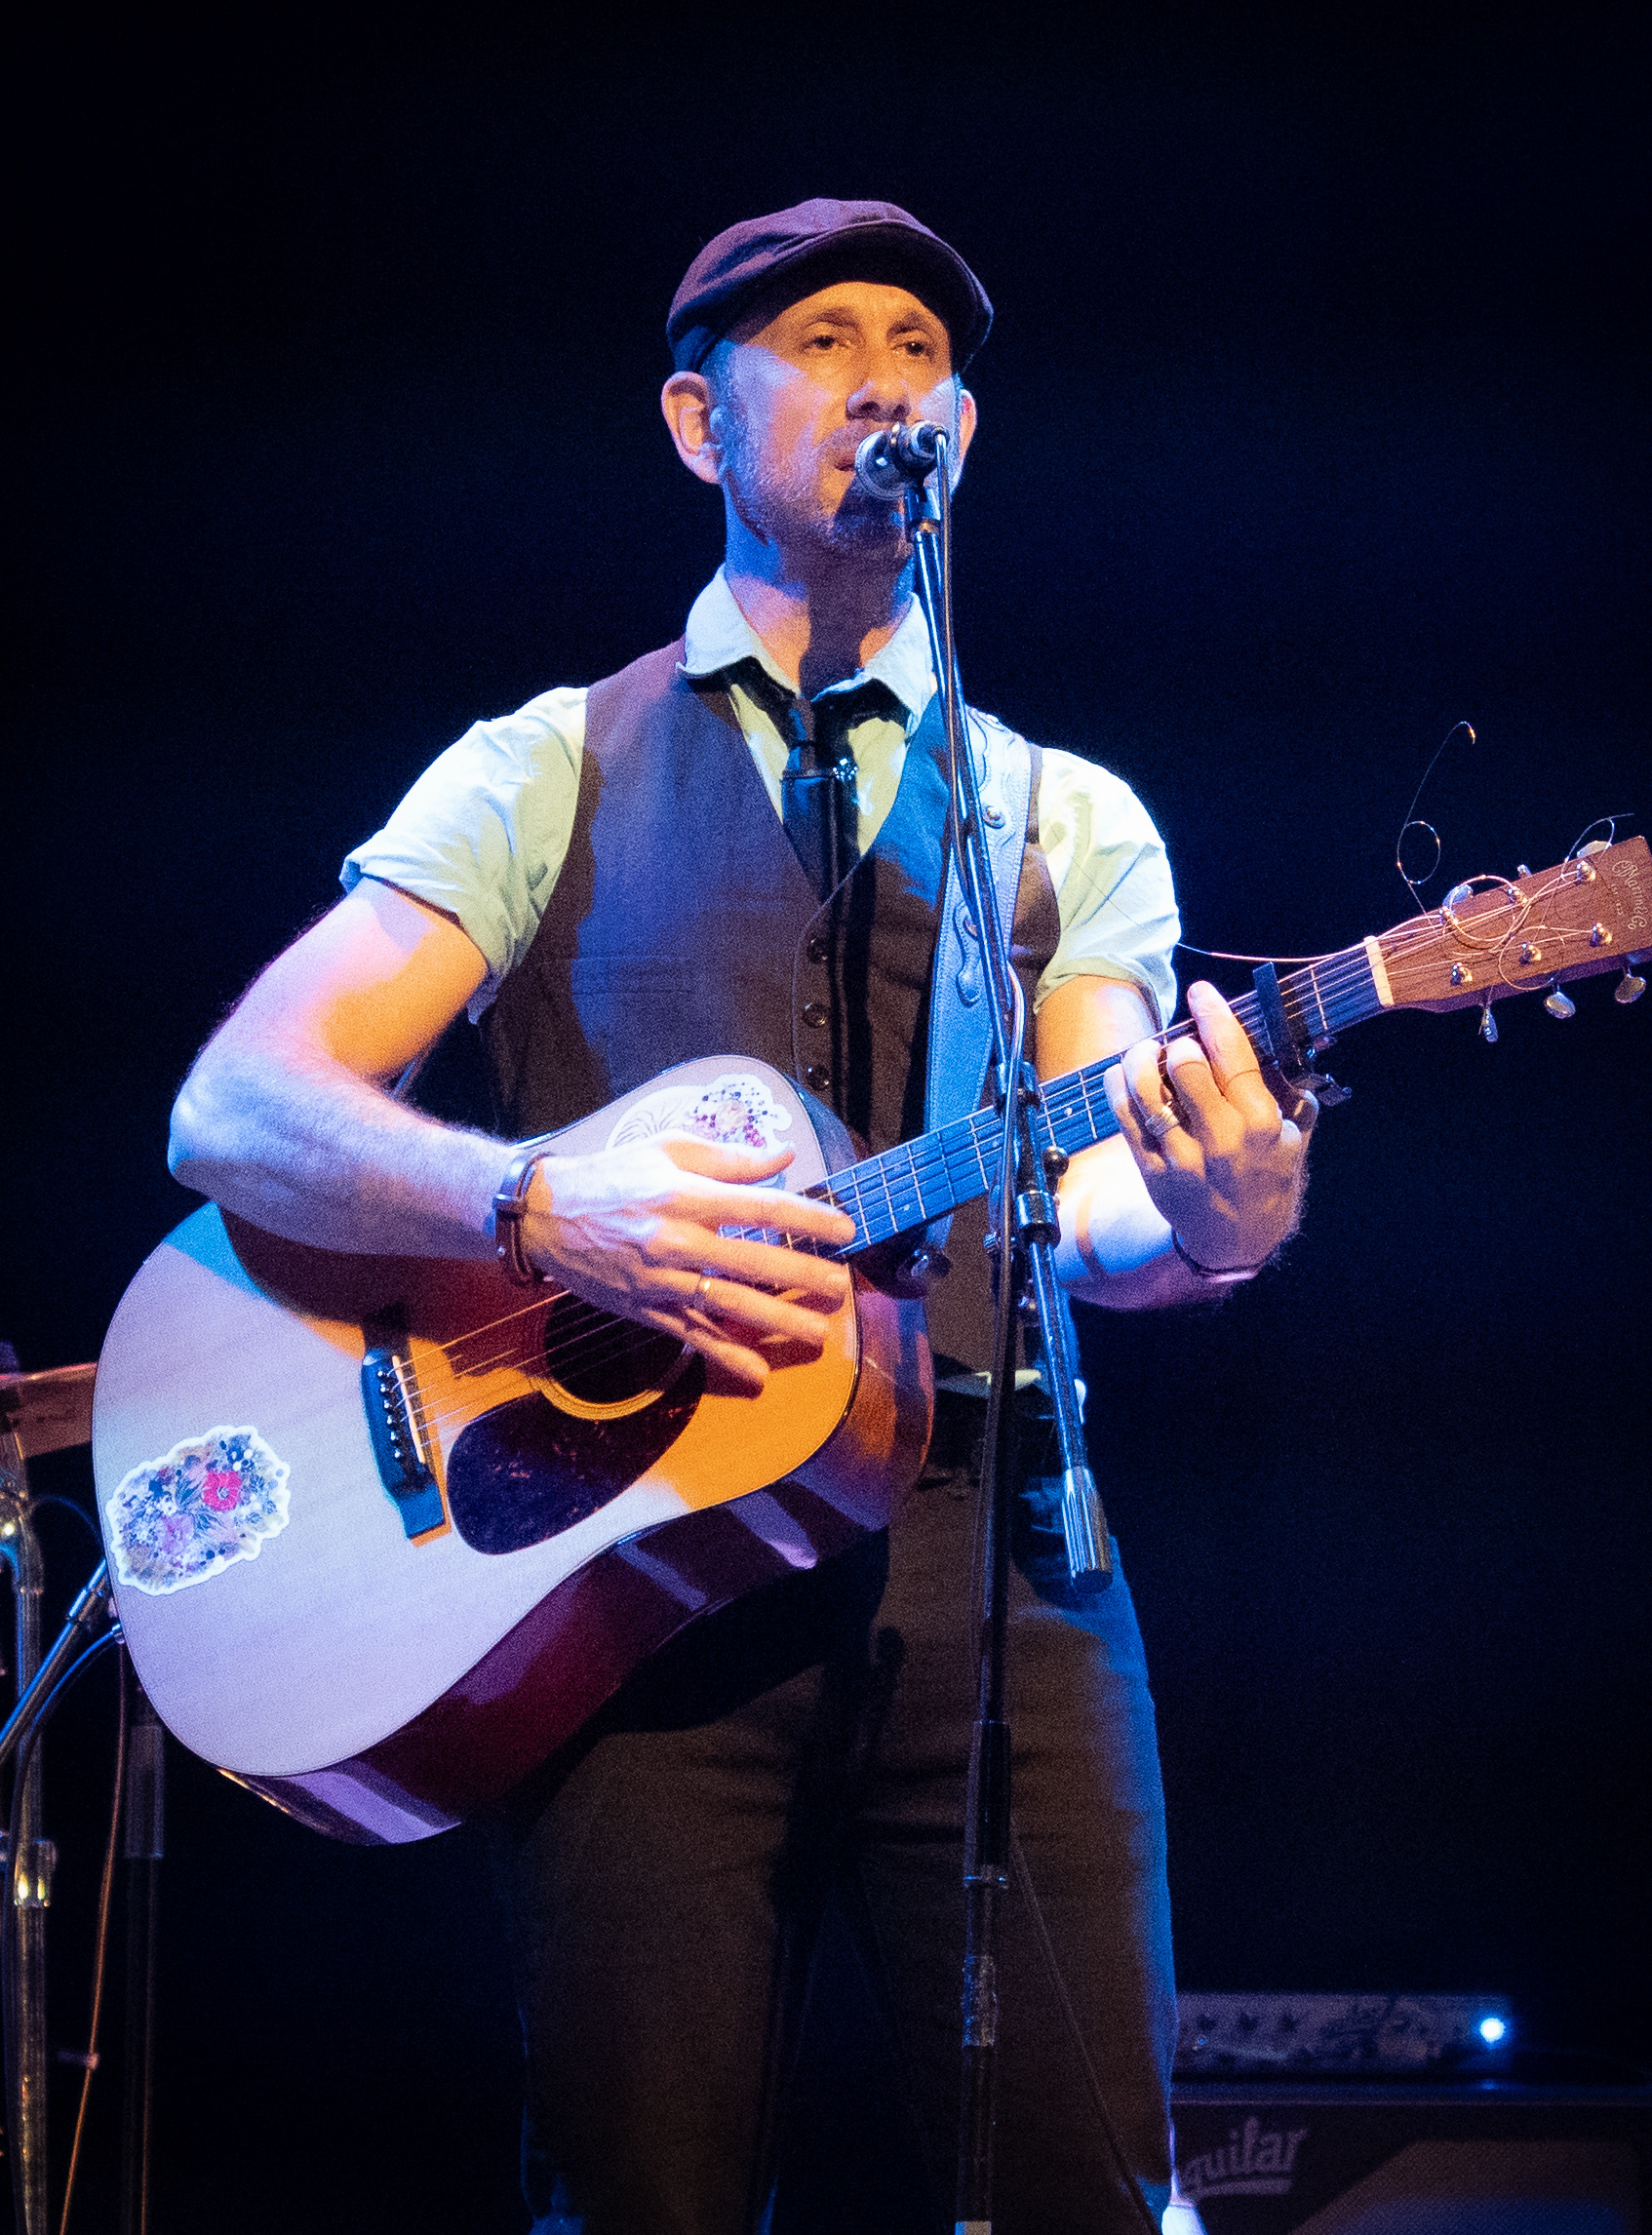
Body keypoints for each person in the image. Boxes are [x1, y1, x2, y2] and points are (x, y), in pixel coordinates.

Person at [168, 199, 1308, 2234]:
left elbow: (1098, 1213)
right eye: (827, 340)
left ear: (964, 434)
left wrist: (1219, 1221)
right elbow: (235, 1109)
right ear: (699, 422)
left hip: (993, 1557)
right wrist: (534, 1200)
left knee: (1088, 2191)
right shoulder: (544, 768)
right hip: (622, 1587)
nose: (887, 384)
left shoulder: (1061, 814)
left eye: (921, 354)